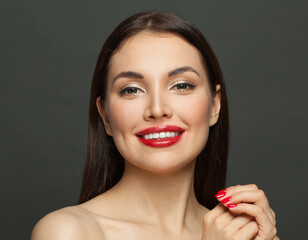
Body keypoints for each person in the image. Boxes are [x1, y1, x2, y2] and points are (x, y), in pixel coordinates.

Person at [31, 12, 279, 240]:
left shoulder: (240, 233)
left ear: (215, 105)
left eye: (181, 85)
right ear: (105, 116)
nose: (157, 109)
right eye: (132, 90)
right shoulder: (67, 231)